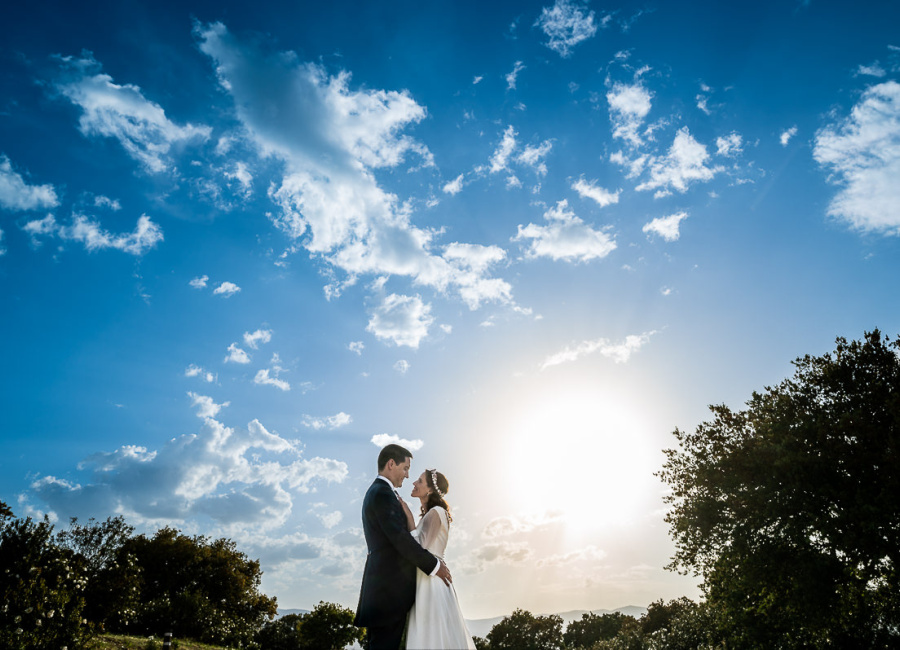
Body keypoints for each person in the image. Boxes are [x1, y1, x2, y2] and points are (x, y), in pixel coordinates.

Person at [355, 444, 453, 650]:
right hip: (388, 592)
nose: (408, 476)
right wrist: (434, 566)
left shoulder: (380, 492)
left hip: (384, 590)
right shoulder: (382, 493)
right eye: (406, 468)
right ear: (391, 464)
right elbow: (400, 540)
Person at [401, 469, 476, 650]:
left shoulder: (436, 512)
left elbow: (420, 549)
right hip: (427, 578)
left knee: (431, 636)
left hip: (431, 582)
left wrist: (409, 518)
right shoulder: (431, 513)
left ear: (430, 490)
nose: (414, 483)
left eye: (419, 481)